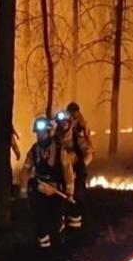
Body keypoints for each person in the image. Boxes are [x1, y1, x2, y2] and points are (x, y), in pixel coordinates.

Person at [23, 116, 66, 249]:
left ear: (49, 132)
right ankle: (44, 249)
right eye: (38, 133)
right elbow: (26, 169)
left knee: (55, 221)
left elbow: (67, 170)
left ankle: (58, 246)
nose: (40, 136)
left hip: (56, 191)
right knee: (39, 218)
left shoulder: (59, 150)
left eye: (42, 133)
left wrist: (69, 190)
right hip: (40, 189)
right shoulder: (34, 150)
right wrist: (23, 190)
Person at [55, 102, 94, 230]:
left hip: (76, 172)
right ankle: (61, 223)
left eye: (66, 122)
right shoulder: (55, 137)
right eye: (61, 123)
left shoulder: (78, 134)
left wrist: (81, 166)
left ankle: (79, 224)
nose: (63, 125)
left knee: (78, 197)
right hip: (60, 172)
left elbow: (89, 152)